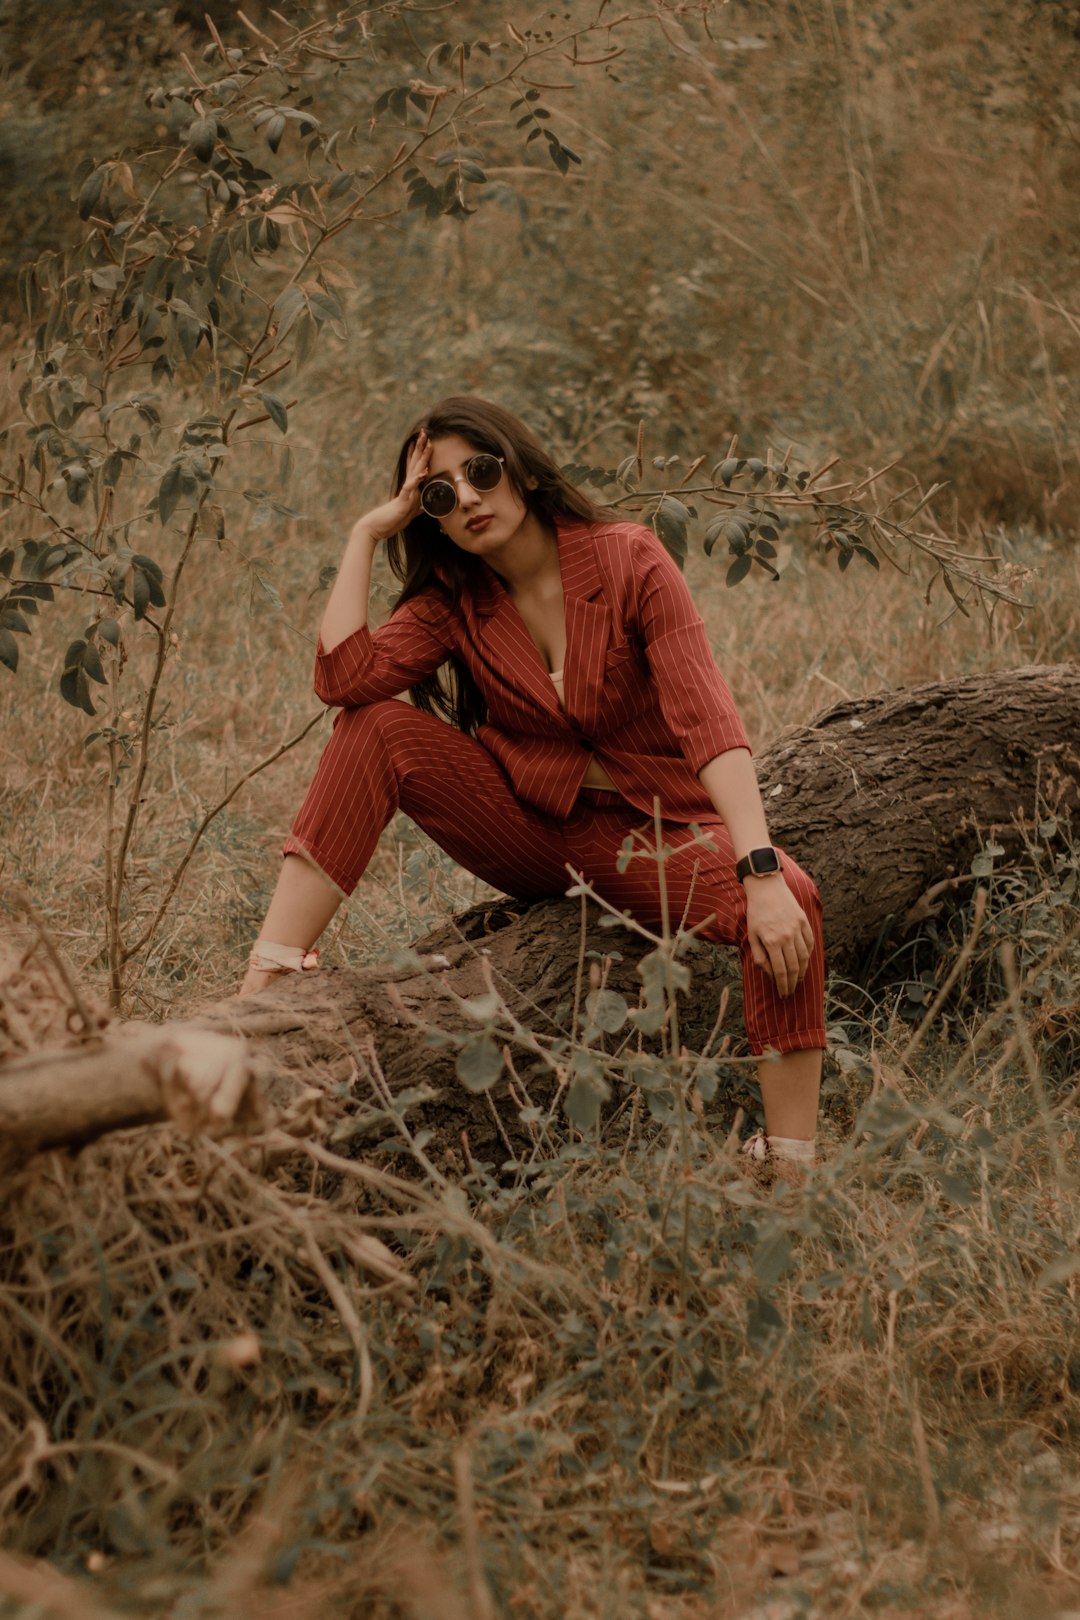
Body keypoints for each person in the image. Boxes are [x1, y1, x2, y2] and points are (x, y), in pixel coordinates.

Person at [241, 397, 826, 1167]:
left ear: (519, 465)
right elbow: (345, 678)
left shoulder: (628, 558)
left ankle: (789, 1160)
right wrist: (366, 531)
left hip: (653, 839)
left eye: (479, 471)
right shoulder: (455, 600)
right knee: (374, 725)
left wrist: (757, 869)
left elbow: (707, 722)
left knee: (794, 898)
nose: (469, 498)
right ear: (433, 519)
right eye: (441, 493)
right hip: (528, 831)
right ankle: (265, 988)